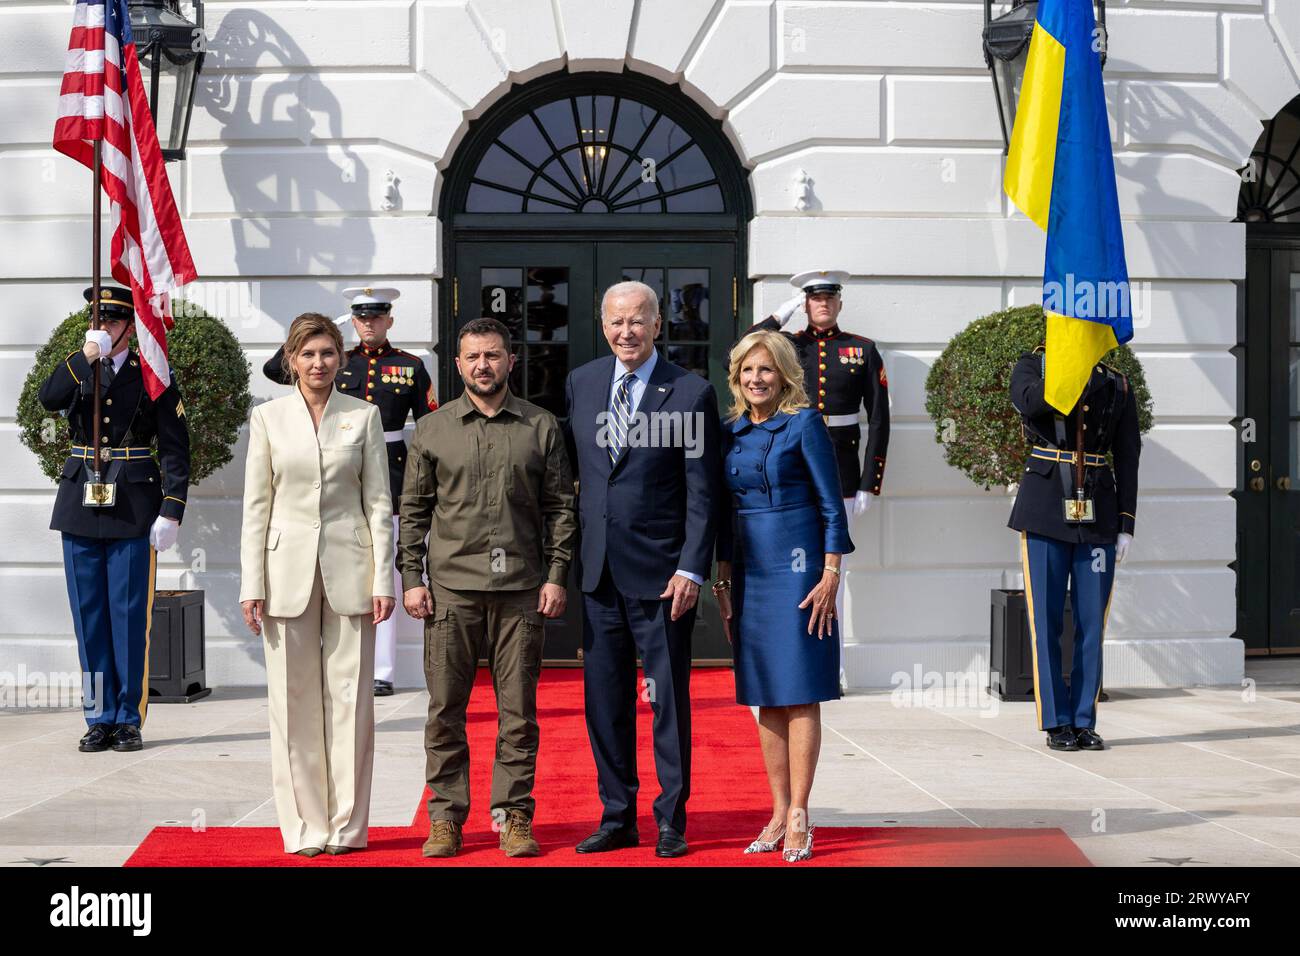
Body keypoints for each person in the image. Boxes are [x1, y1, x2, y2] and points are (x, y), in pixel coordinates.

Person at [397, 317, 576, 859]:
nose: (483, 365)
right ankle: (447, 817)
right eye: (473, 357)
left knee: (518, 713)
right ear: (457, 365)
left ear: (510, 361)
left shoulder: (541, 426)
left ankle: (515, 816)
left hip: (522, 590)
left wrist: (556, 576)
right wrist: (412, 578)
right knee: (445, 711)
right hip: (452, 592)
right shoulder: (433, 429)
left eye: (493, 355)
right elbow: (414, 510)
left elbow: (562, 508)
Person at [563, 280, 722, 859]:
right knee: (604, 701)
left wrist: (692, 568)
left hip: (662, 579)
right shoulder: (581, 383)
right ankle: (617, 815)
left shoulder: (691, 391)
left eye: (637, 320)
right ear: (602, 325)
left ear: (658, 324)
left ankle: (671, 819)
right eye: (615, 321)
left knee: (666, 702)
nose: (625, 331)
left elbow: (704, 493)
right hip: (599, 573)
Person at [239, 312, 396, 857]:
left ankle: (348, 828)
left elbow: (378, 504)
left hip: (351, 571)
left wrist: (384, 578)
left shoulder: (364, 416)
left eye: (327, 352)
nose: (318, 363)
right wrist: (250, 583)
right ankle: (306, 827)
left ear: (341, 358)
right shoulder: (268, 419)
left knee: (351, 702)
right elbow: (256, 507)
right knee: (293, 703)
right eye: (307, 354)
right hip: (284, 574)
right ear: (291, 360)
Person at [714, 330, 853, 863]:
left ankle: (800, 811)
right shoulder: (728, 433)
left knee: (799, 690)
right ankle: (775, 811)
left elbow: (830, 503)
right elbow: (725, 517)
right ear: (736, 377)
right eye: (747, 371)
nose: (756, 380)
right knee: (766, 694)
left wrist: (831, 572)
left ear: (784, 375)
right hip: (749, 574)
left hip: (800, 574)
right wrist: (723, 583)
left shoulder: (804, 425)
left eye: (766, 370)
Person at [264, 286, 437, 696]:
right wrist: (322, 327)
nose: (369, 324)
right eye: (361, 318)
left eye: (376, 317)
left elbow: (429, 425)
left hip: (391, 472)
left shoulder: (410, 366)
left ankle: (383, 670)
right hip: (336, 474)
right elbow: (277, 369)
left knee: (384, 572)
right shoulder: (336, 360)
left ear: (389, 320)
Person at [38, 285, 190, 753]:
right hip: (79, 500)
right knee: (89, 618)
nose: (103, 328)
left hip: (133, 505)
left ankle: (127, 717)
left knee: (127, 617)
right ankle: (97, 716)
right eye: (97, 320)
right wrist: (85, 356)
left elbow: (176, 446)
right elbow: (48, 398)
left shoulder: (152, 374)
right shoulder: (79, 366)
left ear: (131, 325)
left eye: (112, 321)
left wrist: (172, 507)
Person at [749, 269, 889, 689]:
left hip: (841, 471)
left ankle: (834, 666)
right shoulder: (789, 345)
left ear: (839, 303)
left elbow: (879, 418)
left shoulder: (861, 349)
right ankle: (787, 654)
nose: (822, 304)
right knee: (789, 569)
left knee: (833, 574)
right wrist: (775, 318)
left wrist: (870, 481)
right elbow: (736, 355)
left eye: (829, 298)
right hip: (792, 470)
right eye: (814, 299)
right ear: (805, 304)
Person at [1008, 344, 1140, 752]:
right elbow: (1029, 403)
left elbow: (1128, 453)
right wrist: (1068, 371)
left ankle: (1084, 719)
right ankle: (1056, 720)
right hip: (1045, 507)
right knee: (1046, 622)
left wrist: (1126, 523)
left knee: (1090, 623)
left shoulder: (1116, 383)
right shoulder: (1034, 365)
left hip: (1098, 511)